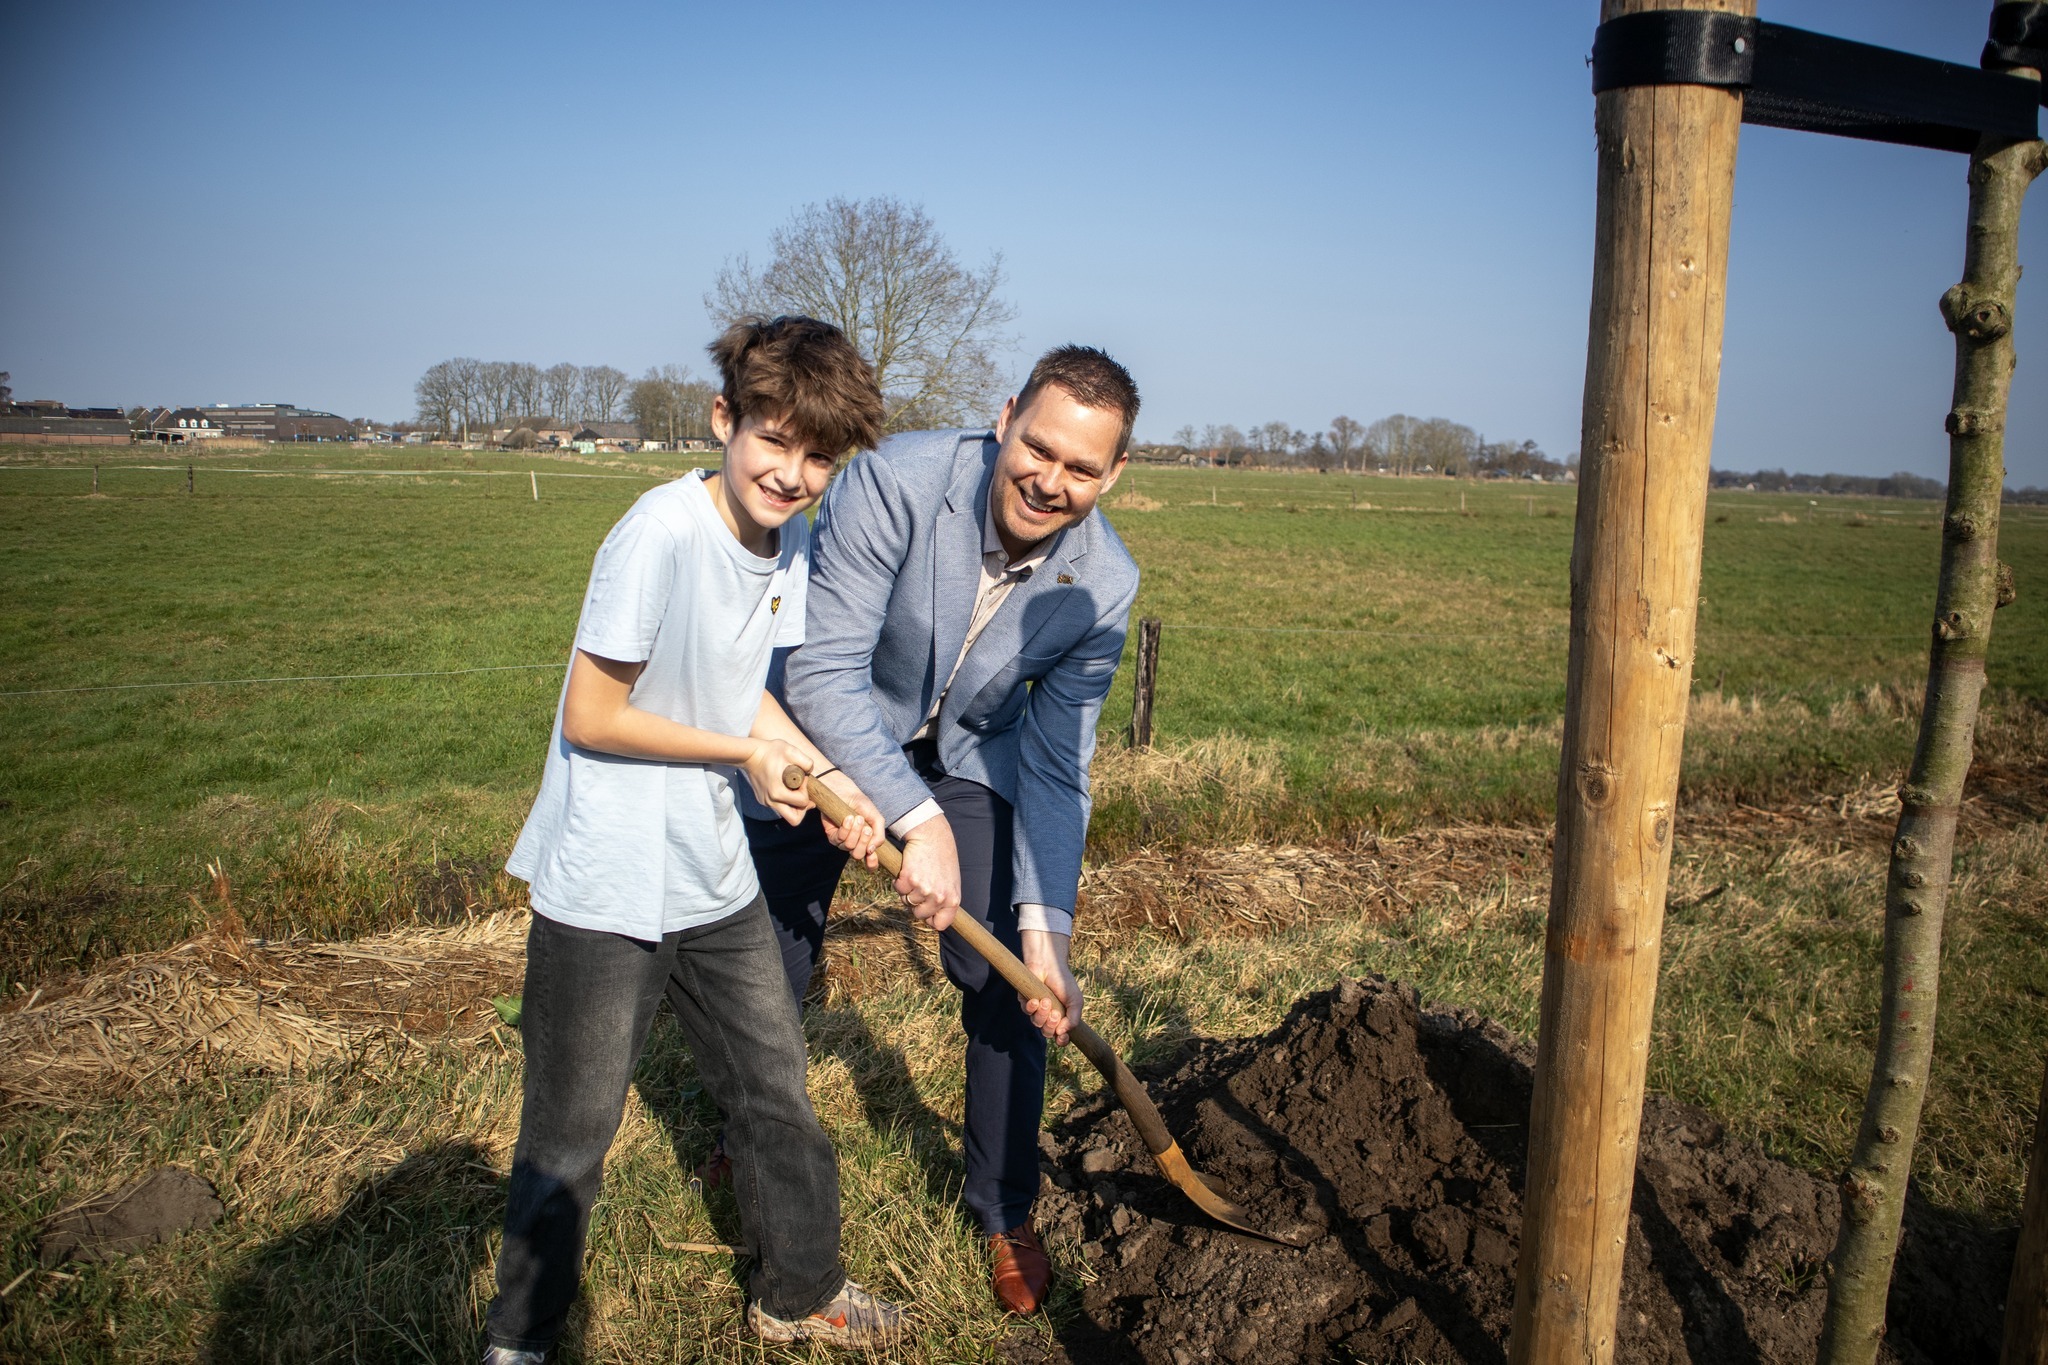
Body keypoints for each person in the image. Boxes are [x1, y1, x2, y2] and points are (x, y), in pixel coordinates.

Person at [482, 315, 905, 1362]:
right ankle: (521, 1343)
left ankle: (800, 1295)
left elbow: (746, 696)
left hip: (712, 877)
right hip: (607, 882)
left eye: (819, 456)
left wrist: (835, 782)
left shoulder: (785, 541)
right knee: (571, 1138)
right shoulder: (657, 533)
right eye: (775, 439)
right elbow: (591, 715)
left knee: (775, 1091)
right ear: (725, 419)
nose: (794, 472)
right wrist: (737, 755)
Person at [745, 344, 1142, 1315]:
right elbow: (824, 672)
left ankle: (1004, 1209)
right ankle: (743, 1136)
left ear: (1113, 473)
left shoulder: (1103, 585)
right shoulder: (897, 483)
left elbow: (1054, 766)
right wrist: (911, 825)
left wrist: (1049, 934)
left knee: (1012, 974)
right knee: (770, 950)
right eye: (1037, 449)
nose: (1049, 483)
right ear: (1005, 418)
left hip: (965, 755)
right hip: (827, 732)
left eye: (1081, 468)